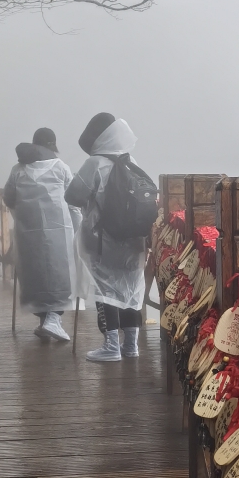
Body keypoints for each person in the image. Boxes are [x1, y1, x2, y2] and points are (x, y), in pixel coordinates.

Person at [66, 112, 150, 363]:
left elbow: (72, 196)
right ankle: (131, 345)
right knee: (131, 290)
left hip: (105, 239)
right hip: (135, 239)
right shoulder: (130, 161)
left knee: (107, 291)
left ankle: (112, 345)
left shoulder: (95, 163)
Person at [1, 126, 74, 343]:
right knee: (58, 272)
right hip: (59, 230)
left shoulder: (18, 169)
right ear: (52, 145)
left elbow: (8, 198)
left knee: (34, 272)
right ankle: (53, 318)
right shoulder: (61, 168)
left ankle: (44, 322)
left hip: (27, 230)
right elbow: (74, 198)